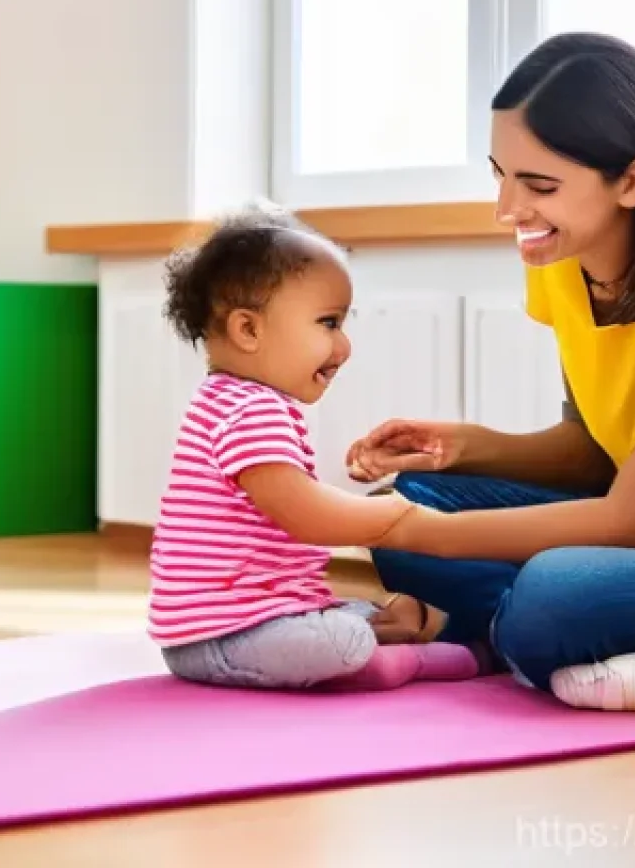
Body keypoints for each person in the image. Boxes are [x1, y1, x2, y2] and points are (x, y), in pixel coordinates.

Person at [347, 32, 635, 714]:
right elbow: (592, 450)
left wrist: (418, 533)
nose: (506, 209)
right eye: (500, 174)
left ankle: (508, 629)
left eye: (539, 185)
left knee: (553, 589)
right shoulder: (562, 264)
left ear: (632, 181)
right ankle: (535, 639)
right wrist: (461, 447)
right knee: (415, 494)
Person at [147, 206, 481, 691]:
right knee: (344, 641)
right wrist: (397, 513)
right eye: (328, 323)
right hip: (221, 637)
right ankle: (407, 660)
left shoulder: (228, 399)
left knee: (354, 617)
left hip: (254, 619)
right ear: (248, 330)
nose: (344, 346)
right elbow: (309, 516)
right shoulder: (251, 409)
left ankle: (395, 630)